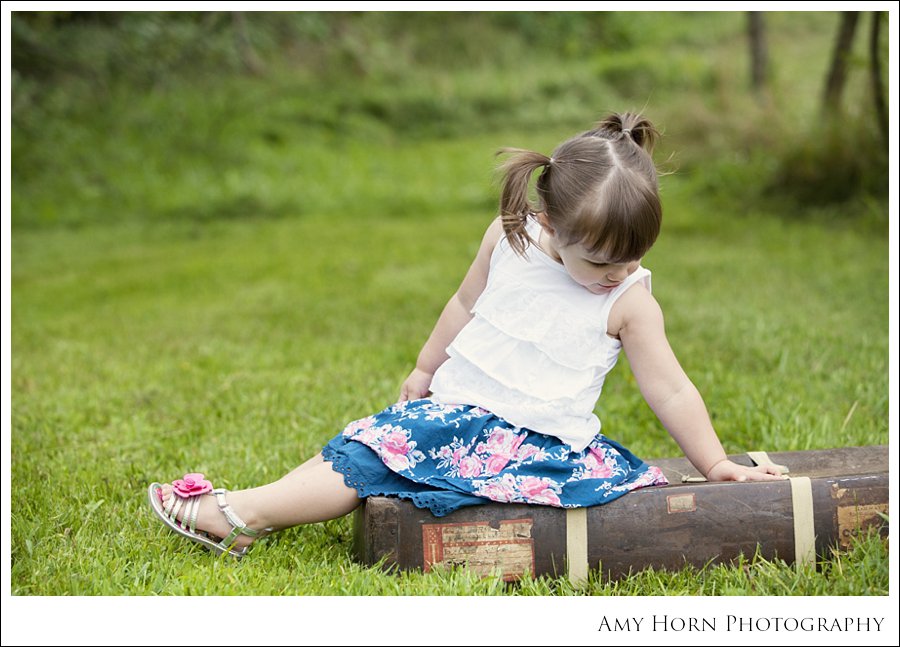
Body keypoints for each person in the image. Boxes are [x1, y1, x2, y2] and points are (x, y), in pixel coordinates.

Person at [148, 112, 787, 558]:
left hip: (524, 441)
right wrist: (426, 370)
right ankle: (259, 506)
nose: (617, 273)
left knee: (377, 452)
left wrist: (716, 464)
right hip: (459, 413)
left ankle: (241, 515)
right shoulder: (508, 238)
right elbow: (462, 304)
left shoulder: (630, 301)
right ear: (548, 221)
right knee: (366, 438)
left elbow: (670, 388)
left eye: (631, 257)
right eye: (599, 261)